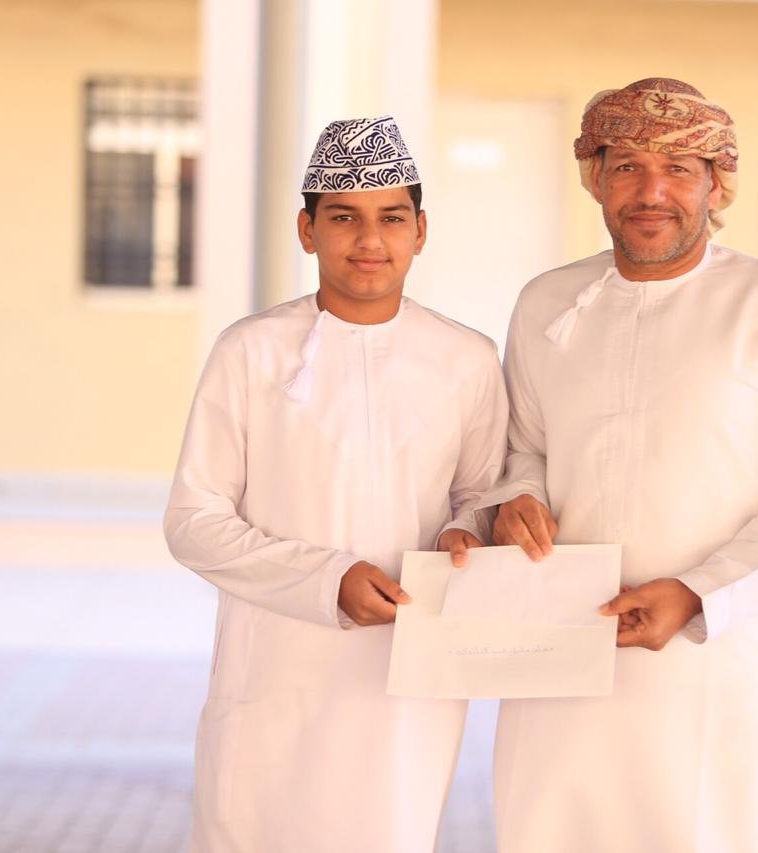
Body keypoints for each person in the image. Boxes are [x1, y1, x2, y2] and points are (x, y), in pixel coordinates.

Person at [458, 78, 758, 851]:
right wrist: (516, 500)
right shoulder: (547, 302)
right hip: (569, 650)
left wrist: (699, 593)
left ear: (717, 184)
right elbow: (525, 449)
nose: (651, 192)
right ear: (596, 179)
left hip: (723, 660)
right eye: (627, 167)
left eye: (678, 168)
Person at [164, 115, 508, 853]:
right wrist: (327, 580)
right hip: (275, 669)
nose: (370, 240)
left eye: (392, 218)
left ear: (421, 231)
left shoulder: (469, 359)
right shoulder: (250, 351)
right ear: (307, 230)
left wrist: (465, 535)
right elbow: (194, 520)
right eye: (345, 217)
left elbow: (481, 496)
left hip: (407, 680)